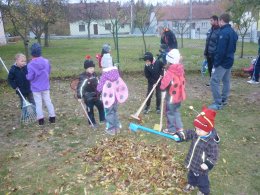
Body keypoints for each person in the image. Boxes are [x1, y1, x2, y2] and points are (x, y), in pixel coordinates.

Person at [173, 106, 219, 195]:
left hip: (201, 166)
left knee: (202, 181)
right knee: (191, 175)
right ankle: (191, 184)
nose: (197, 131)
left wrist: (207, 163)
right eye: (196, 128)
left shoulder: (211, 142)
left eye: (199, 129)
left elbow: (214, 155)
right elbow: (188, 133)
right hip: (192, 161)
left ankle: (204, 191)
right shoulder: (197, 133)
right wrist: (180, 136)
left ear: (208, 129)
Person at [208, 13, 238, 110]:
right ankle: (224, 100)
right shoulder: (233, 32)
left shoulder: (223, 33)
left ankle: (218, 103)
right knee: (226, 80)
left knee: (214, 81)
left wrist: (216, 63)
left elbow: (220, 50)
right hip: (230, 60)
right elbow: (234, 45)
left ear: (221, 21)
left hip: (223, 62)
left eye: (219, 21)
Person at [97, 53, 128, 135]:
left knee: (109, 113)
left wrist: (97, 90)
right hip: (116, 97)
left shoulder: (104, 75)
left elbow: (99, 87)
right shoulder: (116, 73)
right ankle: (117, 126)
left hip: (108, 98)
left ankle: (111, 129)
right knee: (114, 111)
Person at [26, 43, 56, 125]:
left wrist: (27, 76)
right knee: (48, 101)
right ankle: (52, 117)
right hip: (45, 86)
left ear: (31, 53)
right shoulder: (46, 61)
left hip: (36, 88)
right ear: (40, 52)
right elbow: (49, 71)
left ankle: (41, 120)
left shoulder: (30, 65)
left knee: (38, 103)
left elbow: (30, 77)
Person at [160, 49, 186, 134]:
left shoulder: (170, 72)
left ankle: (172, 129)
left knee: (170, 113)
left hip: (171, 96)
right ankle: (179, 127)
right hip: (179, 96)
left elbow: (164, 84)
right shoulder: (180, 69)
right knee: (176, 111)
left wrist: (162, 88)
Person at [77, 55, 105, 126]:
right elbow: (80, 87)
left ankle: (102, 119)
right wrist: (79, 97)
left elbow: (99, 83)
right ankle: (92, 122)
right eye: (90, 68)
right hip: (88, 97)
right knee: (90, 109)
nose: (92, 69)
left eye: (93, 68)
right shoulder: (83, 77)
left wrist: (100, 91)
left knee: (101, 105)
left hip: (96, 95)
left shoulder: (95, 75)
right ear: (86, 68)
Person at [204, 15, 220, 81]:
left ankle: (215, 81)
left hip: (214, 53)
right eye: (210, 20)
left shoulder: (219, 30)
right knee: (210, 68)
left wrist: (216, 53)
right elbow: (207, 42)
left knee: (215, 69)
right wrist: (205, 52)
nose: (210, 22)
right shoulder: (210, 30)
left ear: (216, 21)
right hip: (208, 53)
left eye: (211, 20)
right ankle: (211, 81)